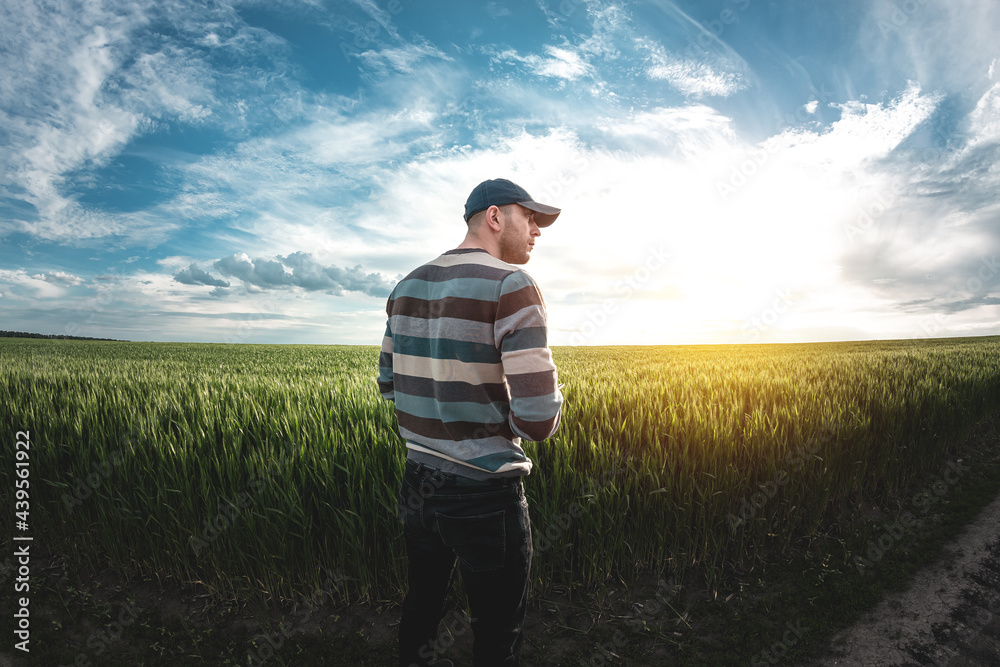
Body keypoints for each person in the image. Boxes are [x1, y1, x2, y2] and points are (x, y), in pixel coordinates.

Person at [378, 178, 564, 667]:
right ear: (496, 216)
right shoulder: (511, 284)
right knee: (497, 628)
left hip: (418, 484)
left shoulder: (406, 286)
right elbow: (539, 421)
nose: (538, 232)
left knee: (422, 604)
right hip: (485, 493)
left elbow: (388, 385)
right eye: (531, 219)